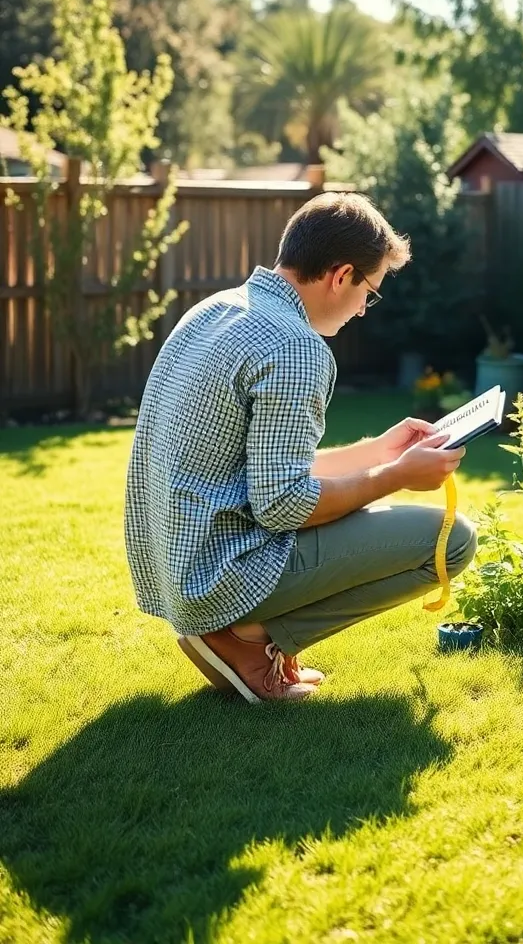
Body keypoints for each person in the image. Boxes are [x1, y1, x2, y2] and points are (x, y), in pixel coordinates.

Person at [124, 191, 476, 703]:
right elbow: (284, 505)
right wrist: (399, 477)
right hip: (221, 575)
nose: (362, 310)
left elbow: (263, 469)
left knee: (371, 499)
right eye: (369, 291)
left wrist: (380, 452)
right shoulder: (295, 346)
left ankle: (240, 633)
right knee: (452, 540)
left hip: (178, 568)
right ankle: (247, 639)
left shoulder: (214, 311)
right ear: (340, 275)